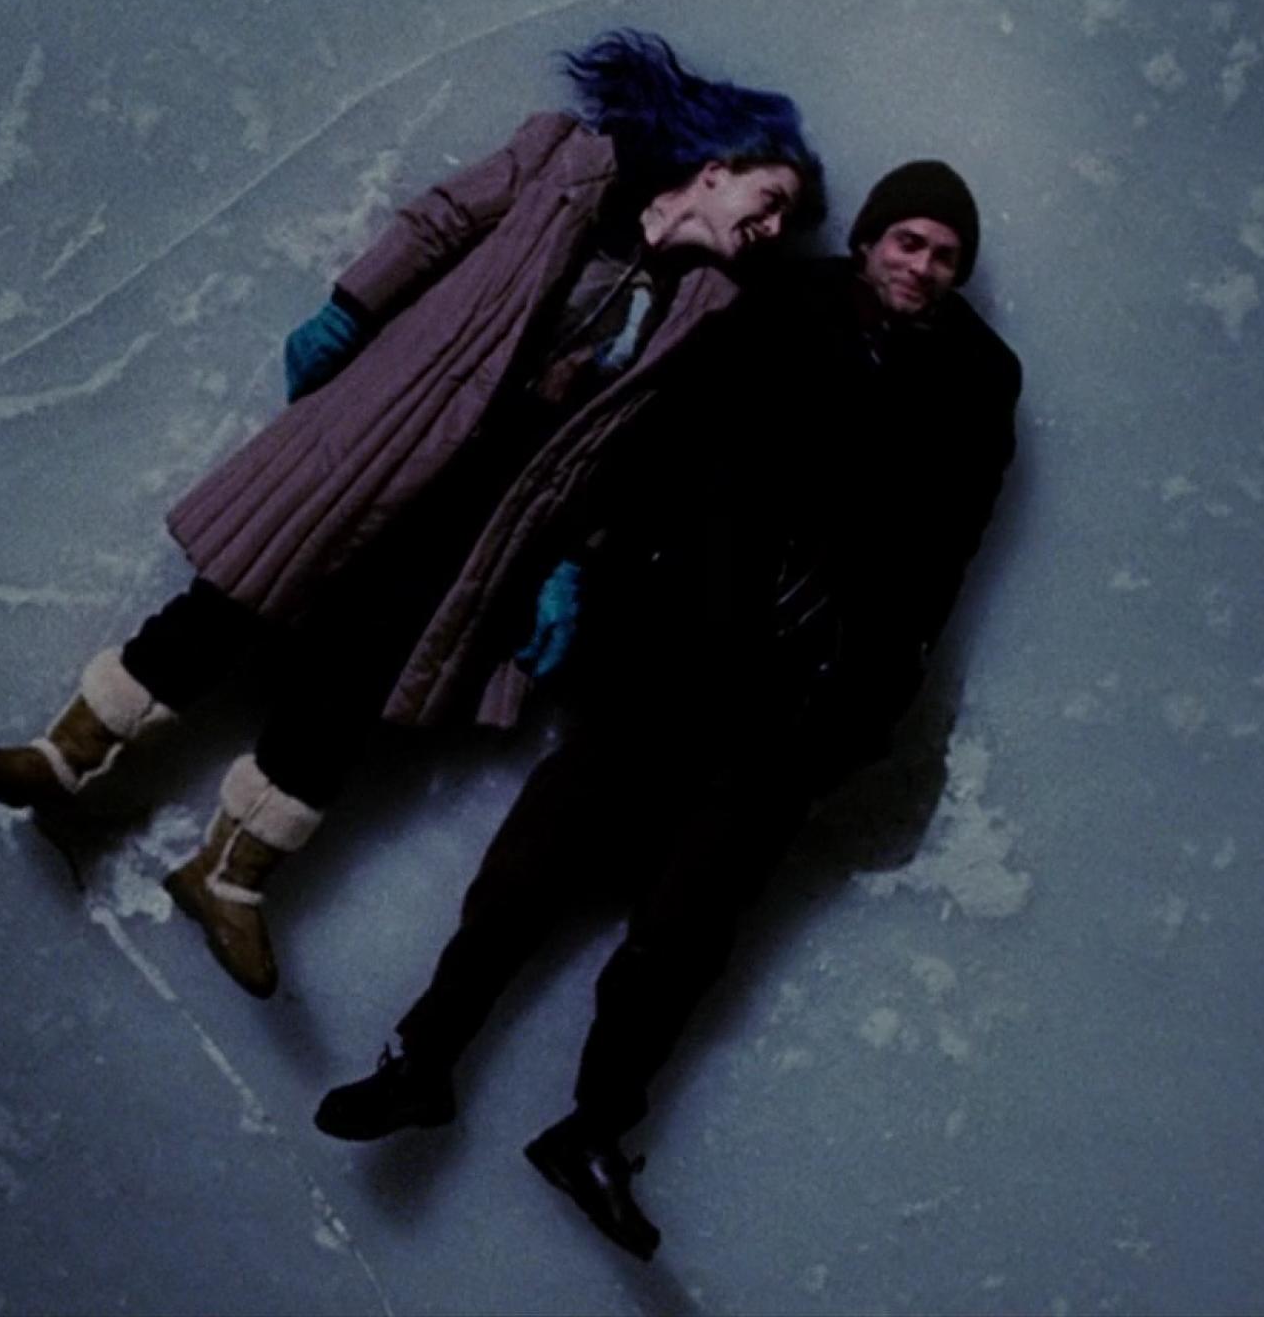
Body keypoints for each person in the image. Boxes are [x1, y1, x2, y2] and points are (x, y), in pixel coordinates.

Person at [0, 29, 827, 998]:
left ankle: (230, 876)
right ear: (715, 170)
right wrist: (351, 308)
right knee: (237, 595)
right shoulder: (562, 160)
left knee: (354, 681)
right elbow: (440, 223)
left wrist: (570, 562)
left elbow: (632, 456)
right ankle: (65, 754)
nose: (771, 227)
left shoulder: (706, 308)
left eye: (786, 222)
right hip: (385, 432)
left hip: (490, 513)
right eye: (770, 200)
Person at [311, 161, 1022, 1261]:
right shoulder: (781, 308)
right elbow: (669, 441)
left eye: (945, 255)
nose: (923, 268)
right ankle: (422, 1057)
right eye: (908, 242)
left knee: (686, 930)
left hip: (802, 697)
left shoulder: (978, 380)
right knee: (531, 868)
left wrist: (873, 696)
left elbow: (944, 559)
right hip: (675, 647)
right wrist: (603, 574)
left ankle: (593, 1130)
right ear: (870, 241)